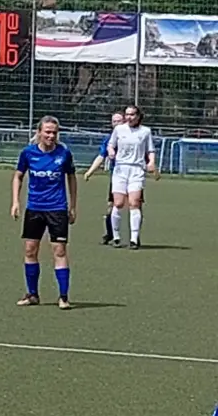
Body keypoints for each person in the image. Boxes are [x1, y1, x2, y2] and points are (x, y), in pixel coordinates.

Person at [11, 115, 77, 310]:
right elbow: (18, 177)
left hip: (57, 209)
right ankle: (32, 294)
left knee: (59, 250)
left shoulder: (64, 153)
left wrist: (72, 207)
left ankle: (63, 296)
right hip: (34, 208)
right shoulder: (28, 153)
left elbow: (72, 179)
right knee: (30, 250)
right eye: (47, 132)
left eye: (54, 132)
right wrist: (15, 201)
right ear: (39, 132)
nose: (51, 135)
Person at [103, 104, 157, 249]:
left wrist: (151, 162)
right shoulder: (119, 129)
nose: (129, 117)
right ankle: (116, 236)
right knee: (118, 203)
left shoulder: (145, 131)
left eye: (132, 114)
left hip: (137, 170)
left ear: (138, 116)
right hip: (120, 169)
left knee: (134, 203)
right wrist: (111, 151)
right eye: (127, 114)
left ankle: (134, 239)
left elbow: (150, 150)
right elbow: (111, 145)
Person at [82, 111, 125, 244]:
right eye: (114, 121)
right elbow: (101, 156)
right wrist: (90, 172)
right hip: (116, 175)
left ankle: (135, 237)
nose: (116, 124)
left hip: (133, 175)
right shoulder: (109, 139)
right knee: (111, 205)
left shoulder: (132, 136)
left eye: (119, 121)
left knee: (136, 205)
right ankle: (110, 234)